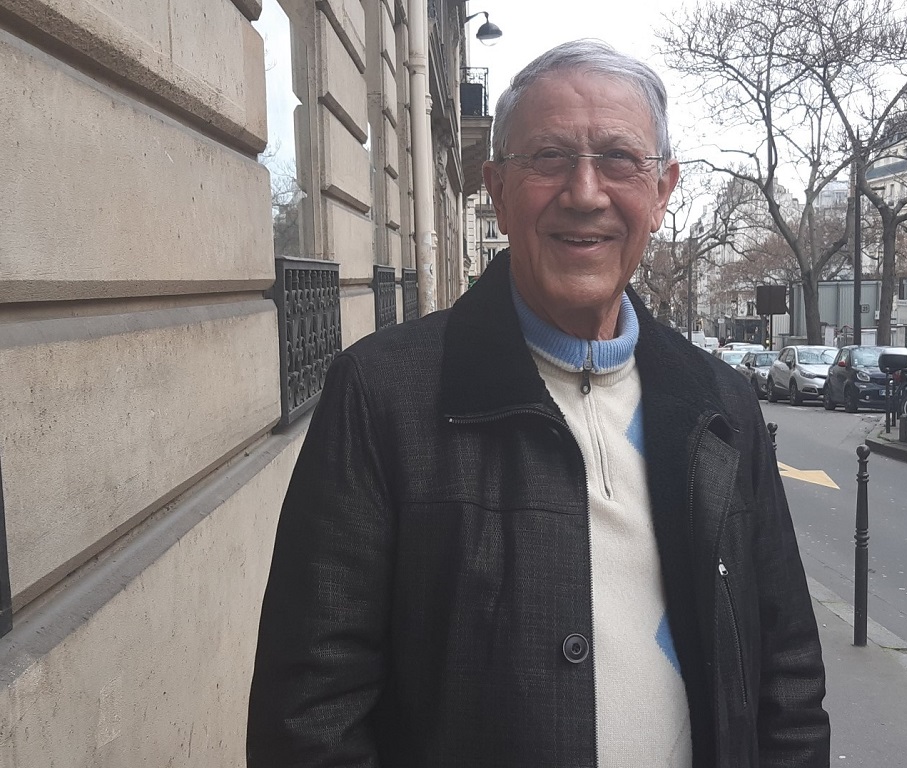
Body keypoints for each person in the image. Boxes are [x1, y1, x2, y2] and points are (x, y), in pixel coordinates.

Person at [247, 39, 829, 768]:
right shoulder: (381, 396)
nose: (585, 192)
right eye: (549, 158)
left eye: (619, 159)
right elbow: (309, 713)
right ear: (495, 186)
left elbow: (787, 679)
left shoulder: (722, 403)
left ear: (662, 191)